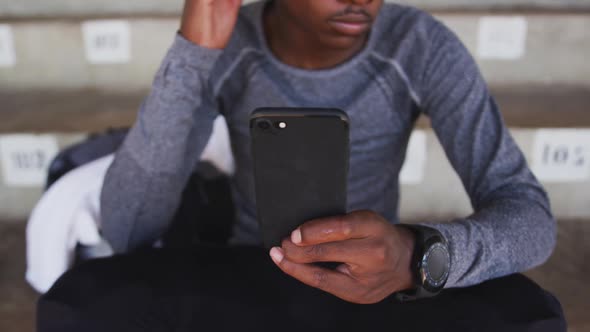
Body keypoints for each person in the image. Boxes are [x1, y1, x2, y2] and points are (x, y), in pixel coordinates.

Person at [37, 0, 566, 331]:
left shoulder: (418, 45)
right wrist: (193, 53)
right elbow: (130, 228)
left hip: (372, 284)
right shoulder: (228, 43)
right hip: (247, 271)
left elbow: (530, 217)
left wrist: (417, 255)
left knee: (529, 313)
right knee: (78, 305)